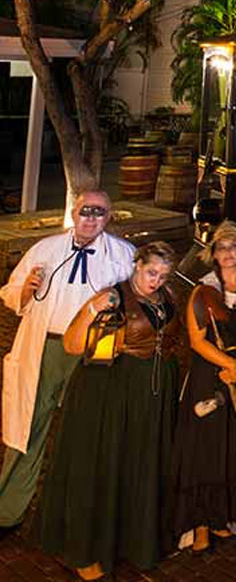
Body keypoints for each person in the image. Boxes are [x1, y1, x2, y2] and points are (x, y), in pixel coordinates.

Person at [37, 241, 182, 580]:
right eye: (150, 272)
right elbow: (73, 344)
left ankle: (129, 541)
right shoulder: (113, 296)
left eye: (162, 275)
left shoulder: (167, 296)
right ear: (137, 264)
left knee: (137, 465)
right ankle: (83, 551)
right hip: (109, 392)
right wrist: (92, 310)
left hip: (151, 395)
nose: (155, 281)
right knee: (101, 466)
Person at [0, 191, 134, 537]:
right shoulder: (44, 249)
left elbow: (139, 303)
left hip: (91, 355)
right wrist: (26, 290)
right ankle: (7, 511)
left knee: (83, 435)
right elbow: (10, 293)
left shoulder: (123, 255)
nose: (91, 218)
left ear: (109, 217)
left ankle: (70, 516)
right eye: (85, 211)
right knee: (27, 430)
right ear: (74, 213)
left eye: (99, 212)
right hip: (45, 349)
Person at [172, 220, 236, 553]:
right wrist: (231, 365)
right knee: (206, 447)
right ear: (213, 254)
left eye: (233, 246)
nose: (227, 253)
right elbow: (197, 340)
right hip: (210, 375)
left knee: (232, 445)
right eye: (221, 248)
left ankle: (221, 516)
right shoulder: (203, 291)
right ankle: (199, 523)